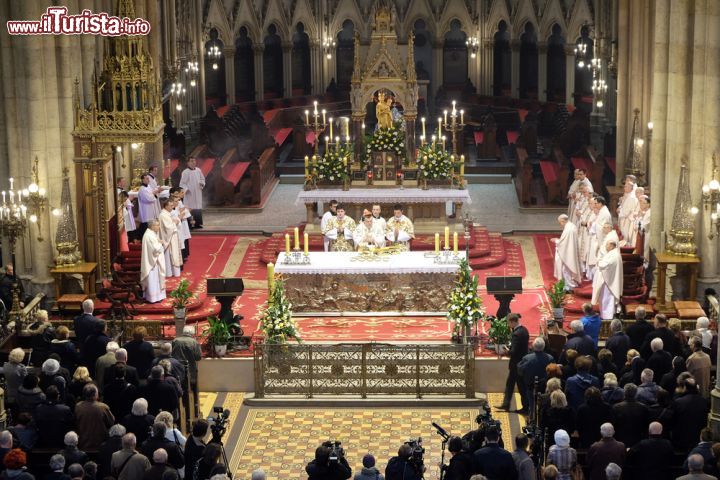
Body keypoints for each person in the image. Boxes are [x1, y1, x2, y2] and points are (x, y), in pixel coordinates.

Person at [496, 313, 529, 414]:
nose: (508, 325)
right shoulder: (524, 330)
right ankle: (506, 404)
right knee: (510, 384)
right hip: (522, 362)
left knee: (521, 387)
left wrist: (506, 351)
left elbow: (513, 352)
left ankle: (525, 408)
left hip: (516, 365)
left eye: (508, 323)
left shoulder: (516, 334)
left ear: (513, 322)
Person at [517, 337, 554, 418]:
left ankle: (532, 417)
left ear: (533, 346)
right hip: (544, 386)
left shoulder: (527, 358)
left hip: (530, 384)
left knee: (531, 402)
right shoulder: (550, 358)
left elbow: (520, 370)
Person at [671, 377, 710, 452]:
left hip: (682, 438)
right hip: (698, 437)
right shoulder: (703, 401)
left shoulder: (678, 402)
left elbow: (673, 420)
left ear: (685, 387)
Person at [75, 384, 114, 451]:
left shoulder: (78, 406)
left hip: (82, 444)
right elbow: (111, 422)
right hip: (100, 444)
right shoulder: (103, 407)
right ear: (96, 394)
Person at [591, 239, 623, 321]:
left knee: (607, 299)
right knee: (604, 299)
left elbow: (605, 265)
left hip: (609, 283)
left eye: (607, 245)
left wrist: (599, 263)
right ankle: (605, 315)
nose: (606, 247)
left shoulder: (615, 255)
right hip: (607, 280)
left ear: (612, 245)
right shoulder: (612, 253)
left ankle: (607, 317)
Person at [612, 383, 649, 448]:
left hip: (621, 439)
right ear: (636, 393)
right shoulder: (643, 407)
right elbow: (645, 426)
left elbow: (614, 425)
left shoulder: (616, 407)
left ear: (624, 392)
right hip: (638, 440)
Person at [141, 219, 167, 304]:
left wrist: (159, 242)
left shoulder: (151, 234)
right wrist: (161, 243)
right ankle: (153, 298)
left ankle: (157, 296)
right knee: (153, 280)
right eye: (157, 225)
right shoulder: (149, 236)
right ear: (152, 226)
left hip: (154, 262)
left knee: (155, 280)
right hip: (152, 263)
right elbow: (156, 249)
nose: (159, 227)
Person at [553, 214, 582, 289]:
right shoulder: (571, 225)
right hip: (570, 250)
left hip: (568, 254)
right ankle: (569, 284)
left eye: (560, 223)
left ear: (563, 221)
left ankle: (568, 286)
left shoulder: (568, 230)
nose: (560, 225)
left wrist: (556, 240)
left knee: (565, 270)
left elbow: (563, 243)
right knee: (566, 270)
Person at [179, 157, 206, 229]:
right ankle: (189, 225)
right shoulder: (185, 172)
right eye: (191, 161)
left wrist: (202, 183)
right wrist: (186, 189)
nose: (193, 162)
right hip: (189, 194)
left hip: (198, 192)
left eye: (194, 160)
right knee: (190, 208)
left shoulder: (198, 170)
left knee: (197, 208)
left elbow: (202, 179)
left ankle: (198, 223)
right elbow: (182, 183)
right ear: (188, 163)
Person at [159, 198, 183, 278]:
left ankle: (172, 272)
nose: (172, 207)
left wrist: (175, 221)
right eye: (170, 206)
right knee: (171, 256)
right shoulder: (163, 215)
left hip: (172, 237)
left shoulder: (166, 214)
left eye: (173, 205)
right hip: (169, 239)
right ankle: (170, 273)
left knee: (172, 256)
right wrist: (175, 222)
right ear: (165, 206)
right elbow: (168, 228)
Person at [138, 174, 161, 239]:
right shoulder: (142, 189)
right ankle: (143, 238)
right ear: (142, 180)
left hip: (150, 208)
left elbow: (152, 193)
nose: (148, 180)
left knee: (150, 224)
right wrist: (154, 193)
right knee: (145, 225)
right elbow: (149, 198)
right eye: (146, 179)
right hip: (146, 210)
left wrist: (156, 192)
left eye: (148, 178)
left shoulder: (148, 186)